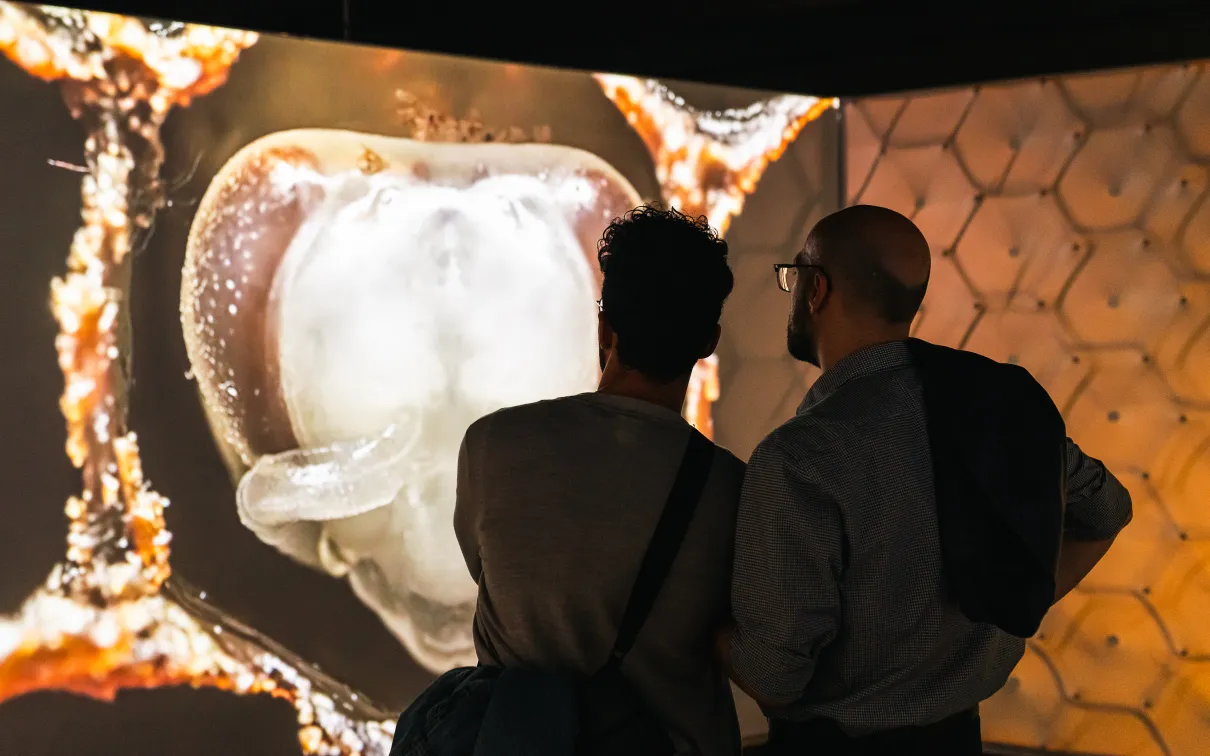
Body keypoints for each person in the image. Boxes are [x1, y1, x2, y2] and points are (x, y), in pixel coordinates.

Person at [717, 205, 1133, 754]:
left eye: (795, 275)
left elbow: (773, 679)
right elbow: (1107, 511)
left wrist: (690, 623)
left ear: (816, 289)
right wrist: (1016, 600)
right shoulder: (997, 408)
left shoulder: (800, 458)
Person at [453, 205, 745, 756]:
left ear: (605, 327)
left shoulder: (492, 443)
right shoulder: (731, 488)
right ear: (708, 341)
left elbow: (486, 570)